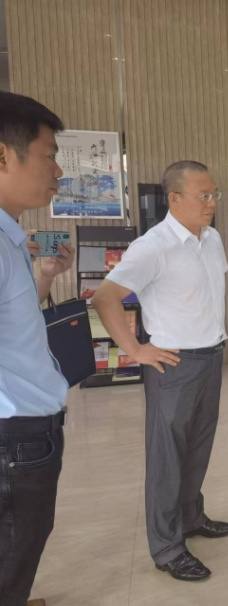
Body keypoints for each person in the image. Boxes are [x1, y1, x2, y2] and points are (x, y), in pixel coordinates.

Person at [92, 161, 228, 582]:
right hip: (173, 364)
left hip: (211, 357)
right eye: (203, 195)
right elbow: (105, 297)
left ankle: (191, 517)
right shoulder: (152, 246)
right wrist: (135, 349)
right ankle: (167, 547)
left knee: (198, 447)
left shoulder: (212, 239)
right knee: (167, 457)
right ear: (174, 198)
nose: (211, 203)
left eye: (214, 194)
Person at [0, 92, 76, 606]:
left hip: (25, 429)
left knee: (18, 543)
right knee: (14, 547)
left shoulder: (10, 239)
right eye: (49, 155)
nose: (58, 171)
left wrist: (45, 276)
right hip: (14, 435)